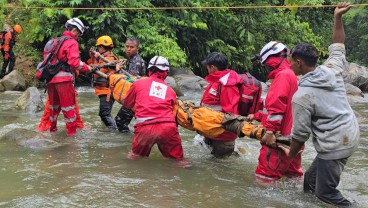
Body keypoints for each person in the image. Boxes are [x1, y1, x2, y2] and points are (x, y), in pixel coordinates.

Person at [281, 2, 359, 207]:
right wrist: (337, 17)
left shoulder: (302, 96)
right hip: (350, 133)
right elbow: (338, 45)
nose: (288, 64)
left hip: (336, 144)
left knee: (326, 194)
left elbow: (299, 135)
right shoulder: (331, 69)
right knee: (310, 181)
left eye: (290, 60)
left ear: (298, 62)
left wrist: (289, 154)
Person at [247, 41, 303, 182]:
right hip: (294, 140)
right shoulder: (292, 76)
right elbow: (285, 108)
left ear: (271, 61)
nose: (265, 68)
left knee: (264, 179)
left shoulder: (282, 76)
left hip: (279, 141)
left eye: (265, 65)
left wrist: (271, 131)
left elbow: (277, 106)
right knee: (294, 178)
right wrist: (257, 116)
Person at [122, 55, 183, 159]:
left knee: (135, 158)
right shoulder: (171, 92)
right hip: (167, 127)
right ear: (165, 73)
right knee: (179, 161)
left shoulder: (137, 84)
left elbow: (127, 104)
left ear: (149, 70)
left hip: (145, 127)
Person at [46, 17, 92, 136]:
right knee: (69, 110)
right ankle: (72, 140)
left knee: (53, 109)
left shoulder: (55, 41)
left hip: (50, 80)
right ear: (75, 30)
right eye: (79, 34)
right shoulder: (72, 42)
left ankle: (52, 132)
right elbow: (74, 63)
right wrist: (87, 68)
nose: (78, 36)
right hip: (64, 80)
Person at [200, 52, 243, 158]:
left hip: (222, 136)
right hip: (213, 130)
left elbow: (230, 112)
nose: (207, 70)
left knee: (220, 168)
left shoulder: (228, 84)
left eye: (208, 67)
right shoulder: (219, 80)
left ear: (213, 67)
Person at [115, 37, 146, 133]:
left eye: (131, 47)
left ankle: (127, 142)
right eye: (127, 46)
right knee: (140, 122)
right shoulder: (132, 59)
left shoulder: (136, 62)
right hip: (137, 97)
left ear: (137, 48)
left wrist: (118, 70)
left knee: (120, 121)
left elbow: (130, 81)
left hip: (134, 98)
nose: (128, 49)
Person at [88, 35, 119, 130]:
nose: (97, 49)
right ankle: (109, 129)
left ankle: (113, 132)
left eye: (98, 47)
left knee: (104, 114)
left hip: (107, 91)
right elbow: (91, 64)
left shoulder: (109, 59)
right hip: (103, 91)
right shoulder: (104, 57)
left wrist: (97, 59)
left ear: (101, 47)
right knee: (105, 114)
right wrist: (93, 57)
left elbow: (97, 74)